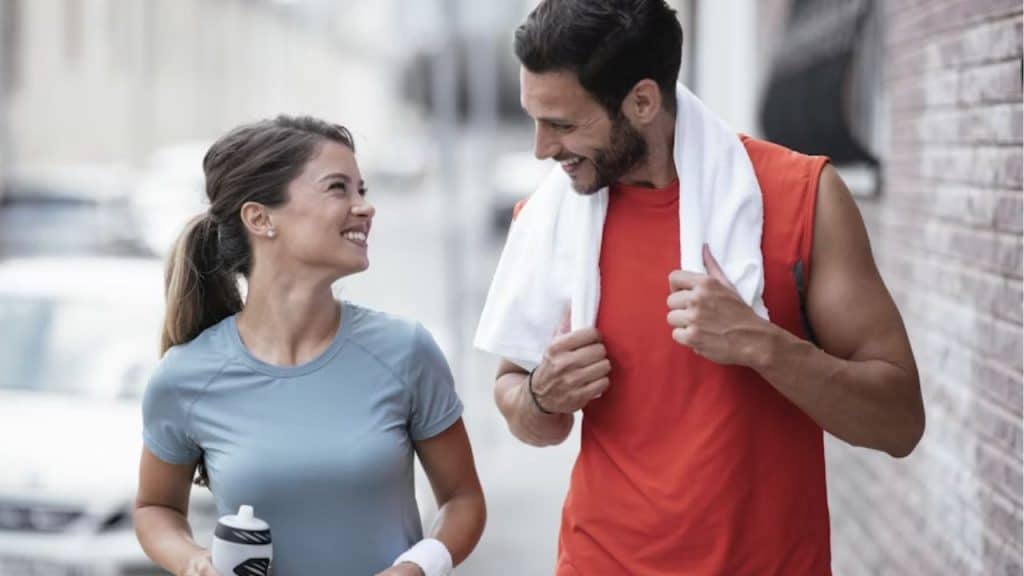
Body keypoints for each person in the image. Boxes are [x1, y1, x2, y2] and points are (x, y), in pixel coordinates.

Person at [476, 1, 925, 574]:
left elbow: (899, 422)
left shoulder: (799, 198)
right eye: (534, 119)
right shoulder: (546, 220)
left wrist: (763, 344)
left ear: (642, 101)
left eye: (562, 124)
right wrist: (541, 395)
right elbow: (518, 403)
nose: (541, 149)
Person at [134, 116, 485, 576]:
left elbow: (463, 500)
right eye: (339, 189)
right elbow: (154, 509)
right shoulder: (186, 376)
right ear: (260, 218)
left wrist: (418, 567)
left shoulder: (405, 351)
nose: (365, 207)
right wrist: (195, 563)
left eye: (362, 189)